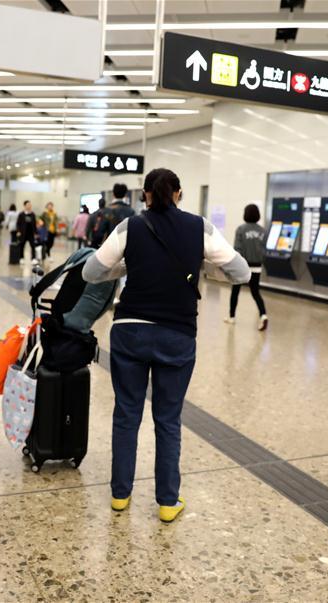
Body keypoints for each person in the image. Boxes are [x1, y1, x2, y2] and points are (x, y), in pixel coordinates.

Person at [83, 168, 250, 523]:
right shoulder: (200, 227)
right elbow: (242, 273)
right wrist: (202, 268)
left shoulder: (130, 227)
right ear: (179, 193)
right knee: (168, 419)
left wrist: (127, 268)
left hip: (129, 331)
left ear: (145, 195)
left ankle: (119, 495)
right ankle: (167, 502)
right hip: (176, 334)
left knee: (126, 415)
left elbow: (91, 272)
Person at [226, 204, 269, 330]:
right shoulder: (263, 231)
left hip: (242, 266)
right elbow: (265, 250)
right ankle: (263, 315)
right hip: (257, 267)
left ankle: (232, 317)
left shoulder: (241, 229)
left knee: (235, 291)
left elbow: (237, 249)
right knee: (255, 292)